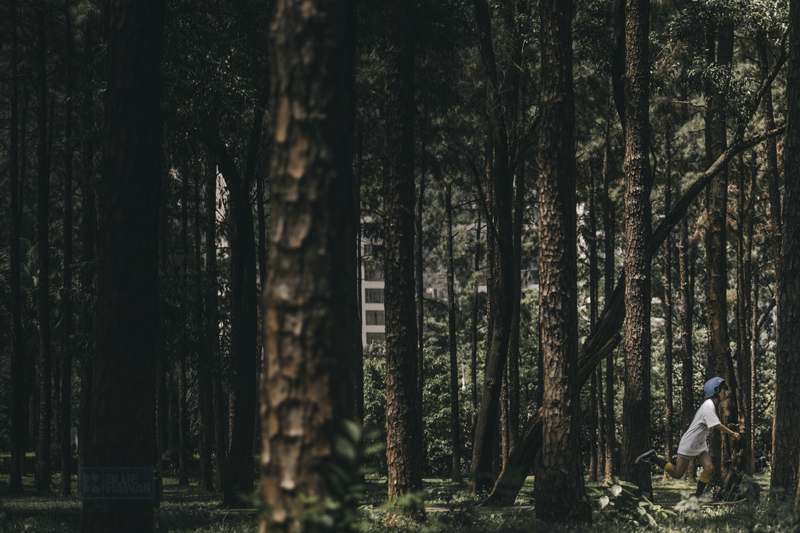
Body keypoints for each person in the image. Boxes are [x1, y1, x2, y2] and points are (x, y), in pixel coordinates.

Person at [635, 377, 741, 498]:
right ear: (715, 391)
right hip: (690, 444)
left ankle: (698, 496)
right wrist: (733, 433)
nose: (725, 394)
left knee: (709, 468)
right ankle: (652, 457)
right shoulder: (708, 405)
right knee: (677, 474)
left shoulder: (711, 405)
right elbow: (717, 425)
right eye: (723, 391)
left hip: (699, 444)